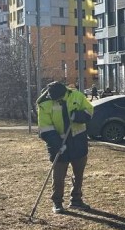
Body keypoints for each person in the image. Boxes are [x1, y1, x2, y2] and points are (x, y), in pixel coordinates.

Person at [37, 81, 94, 214]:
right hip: (58, 144)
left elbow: (89, 111)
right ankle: (57, 202)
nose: (59, 101)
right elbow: (45, 128)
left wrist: (79, 116)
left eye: (61, 98)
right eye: (57, 100)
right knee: (58, 175)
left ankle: (76, 200)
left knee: (78, 174)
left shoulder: (76, 96)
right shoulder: (44, 104)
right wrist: (57, 144)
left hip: (77, 140)